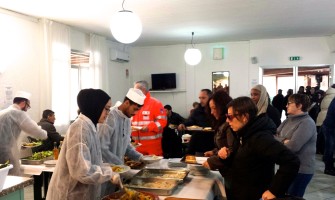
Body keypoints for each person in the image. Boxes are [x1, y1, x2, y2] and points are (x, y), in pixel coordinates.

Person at [217, 96, 300, 200]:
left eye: (230, 116)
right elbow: (242, 162)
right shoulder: (243, 134)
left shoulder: (260, 138)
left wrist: (274, 190)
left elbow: (291, 161)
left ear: (244, 117)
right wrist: (225, 156)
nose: (227, 121)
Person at [46, 89, 120, 200]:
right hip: (69, 194)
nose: (108, 114)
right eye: (106, 109)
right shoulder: (80, 129)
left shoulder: (91, 126)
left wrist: (108, 170)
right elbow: (81, 171)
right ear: (95, 106)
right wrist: (108, 173)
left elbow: (93, 161)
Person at [276, 94, 317, 197]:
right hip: (287, 167)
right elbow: (273, 137)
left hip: (301, 170)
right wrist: (284, 140)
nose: (286, 106)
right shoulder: (287, 120)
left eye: (289, 103)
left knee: (293, 196)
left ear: (299, 106)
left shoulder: (307, 122)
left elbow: (293, 146)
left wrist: (280, 140)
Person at [0, 91, 47, 175]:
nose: (27, 109)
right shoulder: (17, 113)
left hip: (3, 151)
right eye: (27, 106)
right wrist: (45, 133)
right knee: (12, 180)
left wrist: (20, 145)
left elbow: (5, 135)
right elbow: (37, 132)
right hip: (6, 154)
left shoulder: (3, 112)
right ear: (23, 103)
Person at [202, 89, 235, 200]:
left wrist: (211, 161)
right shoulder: (221, 123)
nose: (211, 112)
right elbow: (224, 147)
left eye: (214, 108)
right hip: (228, 172)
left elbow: (232, 151)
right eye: (210, 108)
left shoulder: (229, 125)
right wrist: (214, 152)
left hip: (234, 174)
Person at [100, 88, 145, 165]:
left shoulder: (127, 119)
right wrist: (119, 164)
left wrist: (140, 157)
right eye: (135, 109)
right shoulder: (110, 117)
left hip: (119, 169)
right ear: (127, 103)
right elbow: (102, 148)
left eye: (138, 110)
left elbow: (126, 146)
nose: (136, 113)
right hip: (106, 169)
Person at [131, 80, 167, 156]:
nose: (133, 93)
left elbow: (162, 122)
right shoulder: (134, 104)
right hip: (136, 147)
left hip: (153, 147)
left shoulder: (156, 104)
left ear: (143, 90)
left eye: (135, 90)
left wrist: (149, 127)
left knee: (154, 167)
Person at [178, 89, 213, 155]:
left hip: (213, 140)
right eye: (200, 98)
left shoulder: (215, 109)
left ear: (210, 98)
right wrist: (183, 124)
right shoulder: (197, 110)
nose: (201, 100)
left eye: (203, 98)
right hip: (199, 140)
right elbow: (191, 120)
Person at [316, 84, 335, 154]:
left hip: (321, 117)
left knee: (322, 137)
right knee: (329, 140)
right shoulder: (334, 96)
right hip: (329, 118)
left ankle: (319, 150)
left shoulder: (326, 95)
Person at [321, 97, 335, 176]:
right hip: (330, 127)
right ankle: (328, 168)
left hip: (330, 126)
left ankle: (329, 166)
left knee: (330, 147)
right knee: (330, 147)